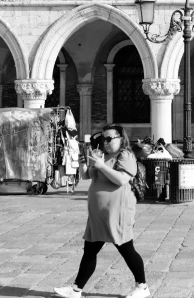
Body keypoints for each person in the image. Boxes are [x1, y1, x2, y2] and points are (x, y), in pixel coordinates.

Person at [54, 125, 150, 298]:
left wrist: (101, 166)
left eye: (109, 139)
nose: (105, 143)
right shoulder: (102, 155)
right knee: (89, 251)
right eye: (103, 139)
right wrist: (83, 163)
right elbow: (87, 176)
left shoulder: (125, 155)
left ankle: (142, 286)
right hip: (98, 214)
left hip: (117, 213)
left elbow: (122, 179)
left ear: (121, 138)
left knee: (126, 249)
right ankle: (76, 290)